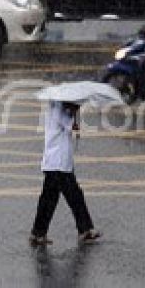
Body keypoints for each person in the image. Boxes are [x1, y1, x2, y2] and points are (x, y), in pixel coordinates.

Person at [30, 101, 100, 246]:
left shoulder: (56, 108)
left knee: (49, 199)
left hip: (56, 163)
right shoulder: (58, 111)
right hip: (58, 164)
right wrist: (75, 111)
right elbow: (70, 125)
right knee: (74, 197)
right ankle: (85, 230)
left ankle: (38, 233)